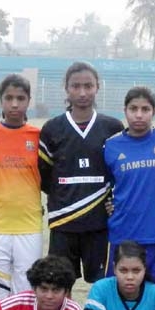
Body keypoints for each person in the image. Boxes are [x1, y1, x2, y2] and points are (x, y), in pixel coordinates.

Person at [38, 62, 123, 283]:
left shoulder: (112, 128)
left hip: (100, 223)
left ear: (98, 87)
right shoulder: (52, 129)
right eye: (76, 86)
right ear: (66, 88)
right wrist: (65, 195)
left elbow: (121, 173)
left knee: (103, 284)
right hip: (63, 223)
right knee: (58, 284)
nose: (82, 92)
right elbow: (44, 177)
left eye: (88, 85)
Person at [104, 86, 155, 294]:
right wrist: (107, 201)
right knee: (118, 294)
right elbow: (104, 183)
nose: (139, 115)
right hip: (122, 232)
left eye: (145, 109)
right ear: (125, 110)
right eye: (133, 109)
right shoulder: (111, 146)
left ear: (154, 112)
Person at [0, 74, 42, 303]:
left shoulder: (37, 136)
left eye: (20, 98)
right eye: (9, 98)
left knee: (26, 293)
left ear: (29, 101)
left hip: (29, 225)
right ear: (0, 100)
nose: (15, 104)